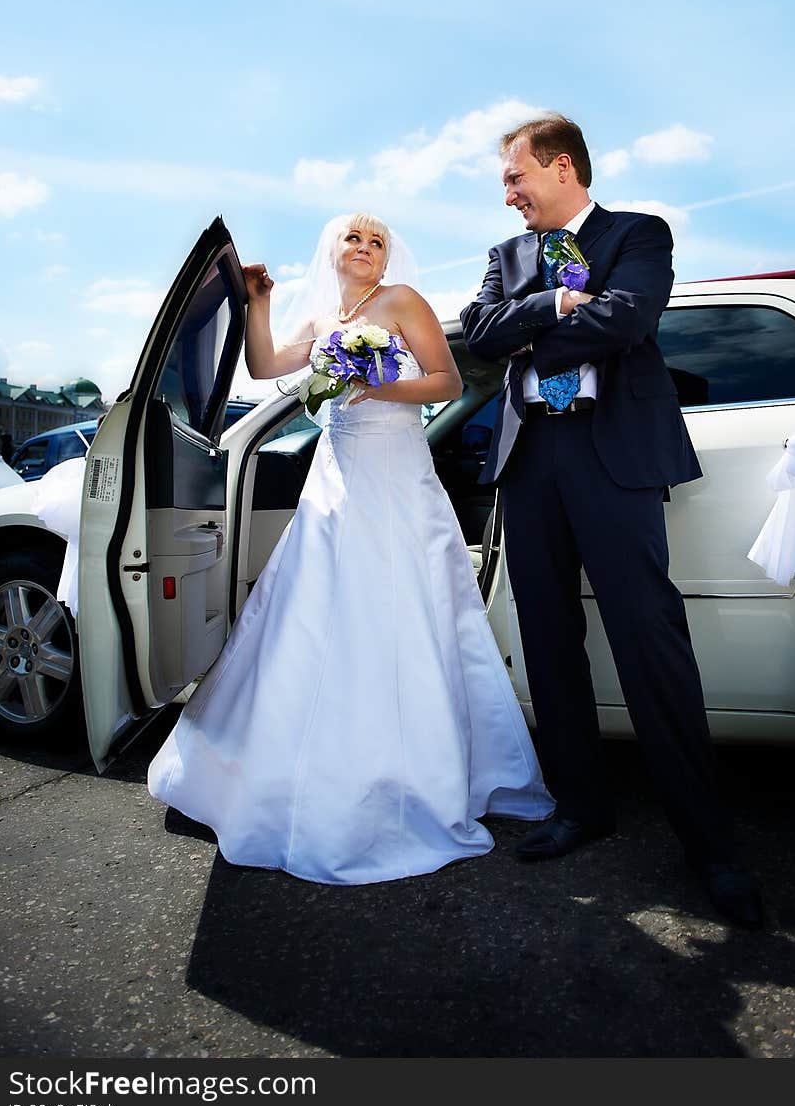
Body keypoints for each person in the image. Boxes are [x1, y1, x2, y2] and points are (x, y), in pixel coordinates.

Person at [148, 212, 552, 885]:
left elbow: (446, 382)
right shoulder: (323, 318)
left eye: (377, 242)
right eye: (353, 239)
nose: (365, 249)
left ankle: (420, 772)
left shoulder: (400, 302)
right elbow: (263, 365)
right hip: (333, 482)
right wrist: (260, 301)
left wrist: (375, 384)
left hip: (396, 477)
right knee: (315, 609)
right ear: (332, 249)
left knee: (402, 607)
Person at [460, 115, 763, 930]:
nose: (509, 195)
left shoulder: (638, 233)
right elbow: (479, 334)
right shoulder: (505, 259)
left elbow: (629, 320)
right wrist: (555, 303)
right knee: (551, 642)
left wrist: (531, 329)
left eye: (516, 179)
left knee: (648, 639)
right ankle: (581, 807)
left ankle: (710, 846)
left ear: (562, 167)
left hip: (613, 459)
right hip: (530, 467)